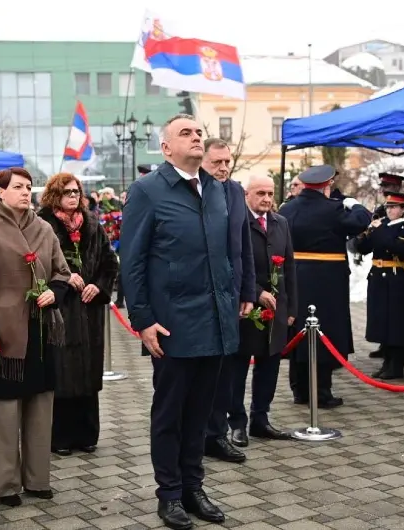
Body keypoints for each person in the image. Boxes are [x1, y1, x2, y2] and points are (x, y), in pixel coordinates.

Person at [120, 114, 237, 530]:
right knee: (170, 413)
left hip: (214, 322)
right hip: (171, 324)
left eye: (198, 132)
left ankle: (193, 486)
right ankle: (168, 494)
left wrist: (233, 301)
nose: (196, 137)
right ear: (165, 148)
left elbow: (228, 254)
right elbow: (131, 262)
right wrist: (143, 320)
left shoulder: (218, 191)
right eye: (185, 133)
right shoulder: (148, 191)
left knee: (202, 413)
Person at [0, 167, 72, 507]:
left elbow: (62, 272)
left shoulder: (44, 228)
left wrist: (54, 291)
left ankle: (37, 479)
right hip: (3, 332)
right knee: (4, 412)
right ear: (1, 192)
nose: (26, 192)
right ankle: (6, 484)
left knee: (40, 408)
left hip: (41, 331)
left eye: (29, 187)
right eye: (19, 187)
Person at [36, 172, 119, 456]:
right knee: (61, 371)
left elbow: (110, 263)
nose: (73, 196)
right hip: (61, 309)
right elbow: (34, 264)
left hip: (89, 310)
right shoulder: (42, 223)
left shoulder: (93, 223)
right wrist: (64, 277)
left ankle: (86, 434)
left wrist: (99, 286)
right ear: (54, 194)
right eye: (67, 192)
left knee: (88, 371)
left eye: (76, 192)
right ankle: (59, 437)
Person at [279, 165, 371, 408]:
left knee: (299, 331)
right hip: (327, 280)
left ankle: (299, 390)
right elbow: (362, 221)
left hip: (297, 276)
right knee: (324, 332)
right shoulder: (334, 209)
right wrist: (353, 202)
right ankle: (321, 392)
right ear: (326, 186)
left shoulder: (287, 208)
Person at [227, 174, 296, 441]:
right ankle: (237, 423)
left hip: (276, 310)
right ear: (246, 195)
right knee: (238, 367)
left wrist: (291, 309)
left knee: (270, 366)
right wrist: (256, 293)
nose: (267, 199)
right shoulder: (237, 223)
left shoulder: (281, 223)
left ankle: (261, 419)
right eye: (260, 194)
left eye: (270, 193)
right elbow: (235, 266)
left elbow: (289, 268)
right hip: (246, 309)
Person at [200, 137, 256, 464]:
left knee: (226, 368)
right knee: (204, 369)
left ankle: (217, 434)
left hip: (231, 296)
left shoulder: (235, 191)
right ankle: (200, 433)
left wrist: (247, 290)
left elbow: (243, 246)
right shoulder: (196, 190)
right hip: (202, 295)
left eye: (227, 161)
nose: (223, 168)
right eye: (216, 162)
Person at [358, 191, 404, 380]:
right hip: (378, 277)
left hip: (397, 278)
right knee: (383, 322)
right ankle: (387, 362)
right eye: (388, 206)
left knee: (397, 324)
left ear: (403, 209)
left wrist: (379, 231)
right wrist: (365, 233)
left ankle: (397, 366)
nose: (390, 210)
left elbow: (401, 248)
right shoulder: (382, 225)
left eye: (394, 207)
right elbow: (363, 248)